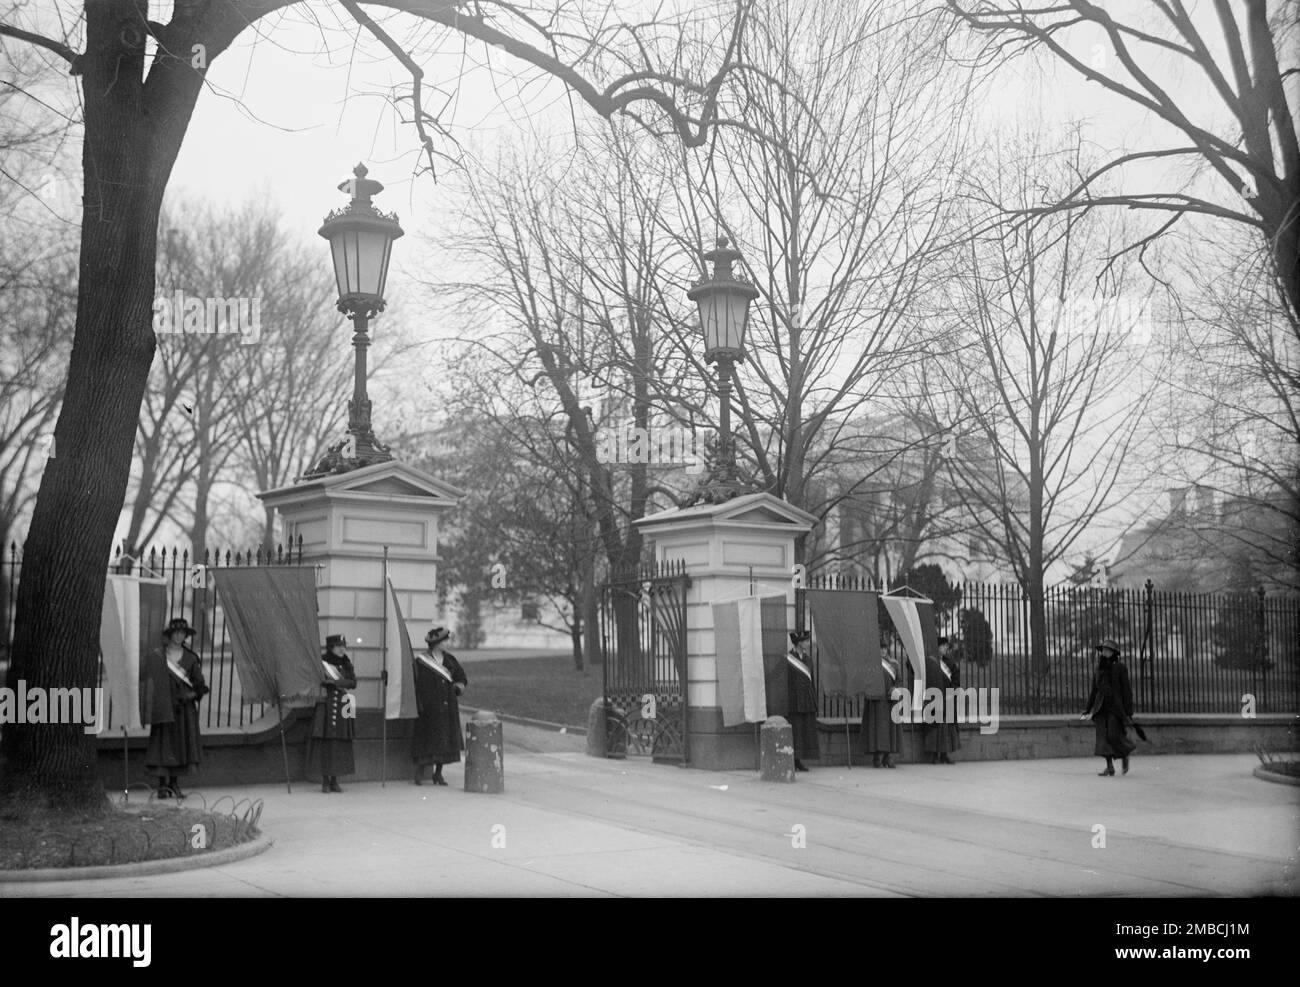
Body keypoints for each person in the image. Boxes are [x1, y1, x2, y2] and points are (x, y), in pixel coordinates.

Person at [140, 617, 208, 798]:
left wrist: (191, 695)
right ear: (170, 635)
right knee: (162, 744)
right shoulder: (157, 656)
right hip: (162, 706)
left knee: (181, 745)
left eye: (182, 633)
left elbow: (200, 685)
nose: (179, 636)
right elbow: (144, 677)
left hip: (183, 709)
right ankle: (162, 786)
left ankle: (174, 785)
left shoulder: (191, 658)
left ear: (186, 636)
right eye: (176, 632)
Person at [411, 626, 467, 786]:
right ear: (436, 643)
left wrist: (457, 687)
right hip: (428, 708)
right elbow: (414, 681)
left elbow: (462, 678)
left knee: (443, 740)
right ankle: (419, 773)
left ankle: (438, 774)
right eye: (444, 641)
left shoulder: (450, 660)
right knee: (427, 739)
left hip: (447, 707)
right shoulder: (421, 662)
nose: (446, 643)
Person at [1082, 637, 1136, 776]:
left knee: (1113, 735)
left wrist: (1128, 710)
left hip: (1115, 708)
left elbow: (1126, 690)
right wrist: (1088, 709)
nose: (1105, 653)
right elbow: (1094, 691)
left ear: (1114, 653)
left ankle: (1125, 754)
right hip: (1100, 708)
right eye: (1104, 650)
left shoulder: (1120, 668)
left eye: (1109, 650)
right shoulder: (1098, 669)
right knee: (1102, 739)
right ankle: (1109, 766)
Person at [310, 634, 357, 793]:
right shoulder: (322, 663)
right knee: (326, 742)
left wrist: (336, 682)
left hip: (344, 704)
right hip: (327, 704)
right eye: (339, 646)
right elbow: (317, 680)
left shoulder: (346, 663)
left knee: (340, 742)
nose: (342, 649)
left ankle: (335, 780)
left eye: (344, 646)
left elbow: (353, 683)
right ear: (331, 648)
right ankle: (325, 780)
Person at [923, 636, 961, 764]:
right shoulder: (930, 661)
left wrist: (951, 693)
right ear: (937, 647)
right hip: (934, 698)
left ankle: (945, 754)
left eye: (946, 646)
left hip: (947, 698)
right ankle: (934, 754)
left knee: (947, 727)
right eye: (943, 646)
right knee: (934, 727)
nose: (945, 648)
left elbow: (956, 680)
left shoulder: (950, 663)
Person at [860, 651, 902, 768]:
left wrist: (894, 689)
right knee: (878, 731)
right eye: (880, 648)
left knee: (890, 730)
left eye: (884, 648)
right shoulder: (872, 664)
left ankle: (887, 757)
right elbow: (867, 680)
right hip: (877, 701)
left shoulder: (894, 664)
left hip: (890, 700)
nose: (883, 651)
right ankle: (877, 756)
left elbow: (898, 680)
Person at [786, 630, 819, 771]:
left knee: (805, 730)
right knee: (796, 730)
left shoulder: (808, 659)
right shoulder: (789, 658)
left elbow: (812, 681)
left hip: (807, 699)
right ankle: (794, 759)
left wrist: (814, 699)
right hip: (795, 700)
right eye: (805, 640)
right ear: (799, 642)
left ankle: (800, 758)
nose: (808, 643)